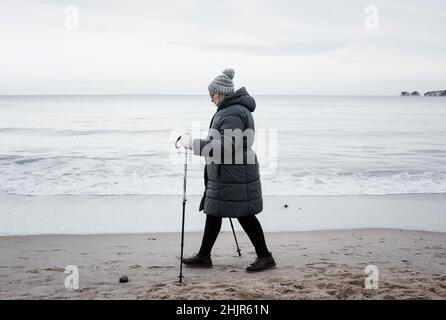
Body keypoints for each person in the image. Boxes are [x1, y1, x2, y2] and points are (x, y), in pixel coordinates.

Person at [178, 68, 276, 272]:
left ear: (221, 93)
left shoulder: (232, 112)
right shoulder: (230, 111)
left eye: (212, 95)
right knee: (213, 211)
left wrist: (192, 144)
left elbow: (226, 147)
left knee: (244, 214)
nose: (210, 99)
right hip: (227, 173)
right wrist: (198, 139)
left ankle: (265, 256)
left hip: (235, 173)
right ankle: (204, 256)